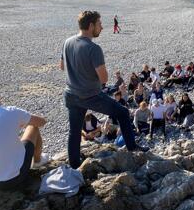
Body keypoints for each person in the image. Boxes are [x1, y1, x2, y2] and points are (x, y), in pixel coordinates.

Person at [61, 11, 148, 169]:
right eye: (99, 24)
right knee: (122, 112)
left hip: (70, 94)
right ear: (91, 25)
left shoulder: (68, 41)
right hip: (89, 95)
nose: (102, 27)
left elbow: (62, 67)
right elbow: (103, 79)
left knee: (74, 131)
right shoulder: (93, 48)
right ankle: (132, 147)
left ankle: (74, 165)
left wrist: (79, 73)